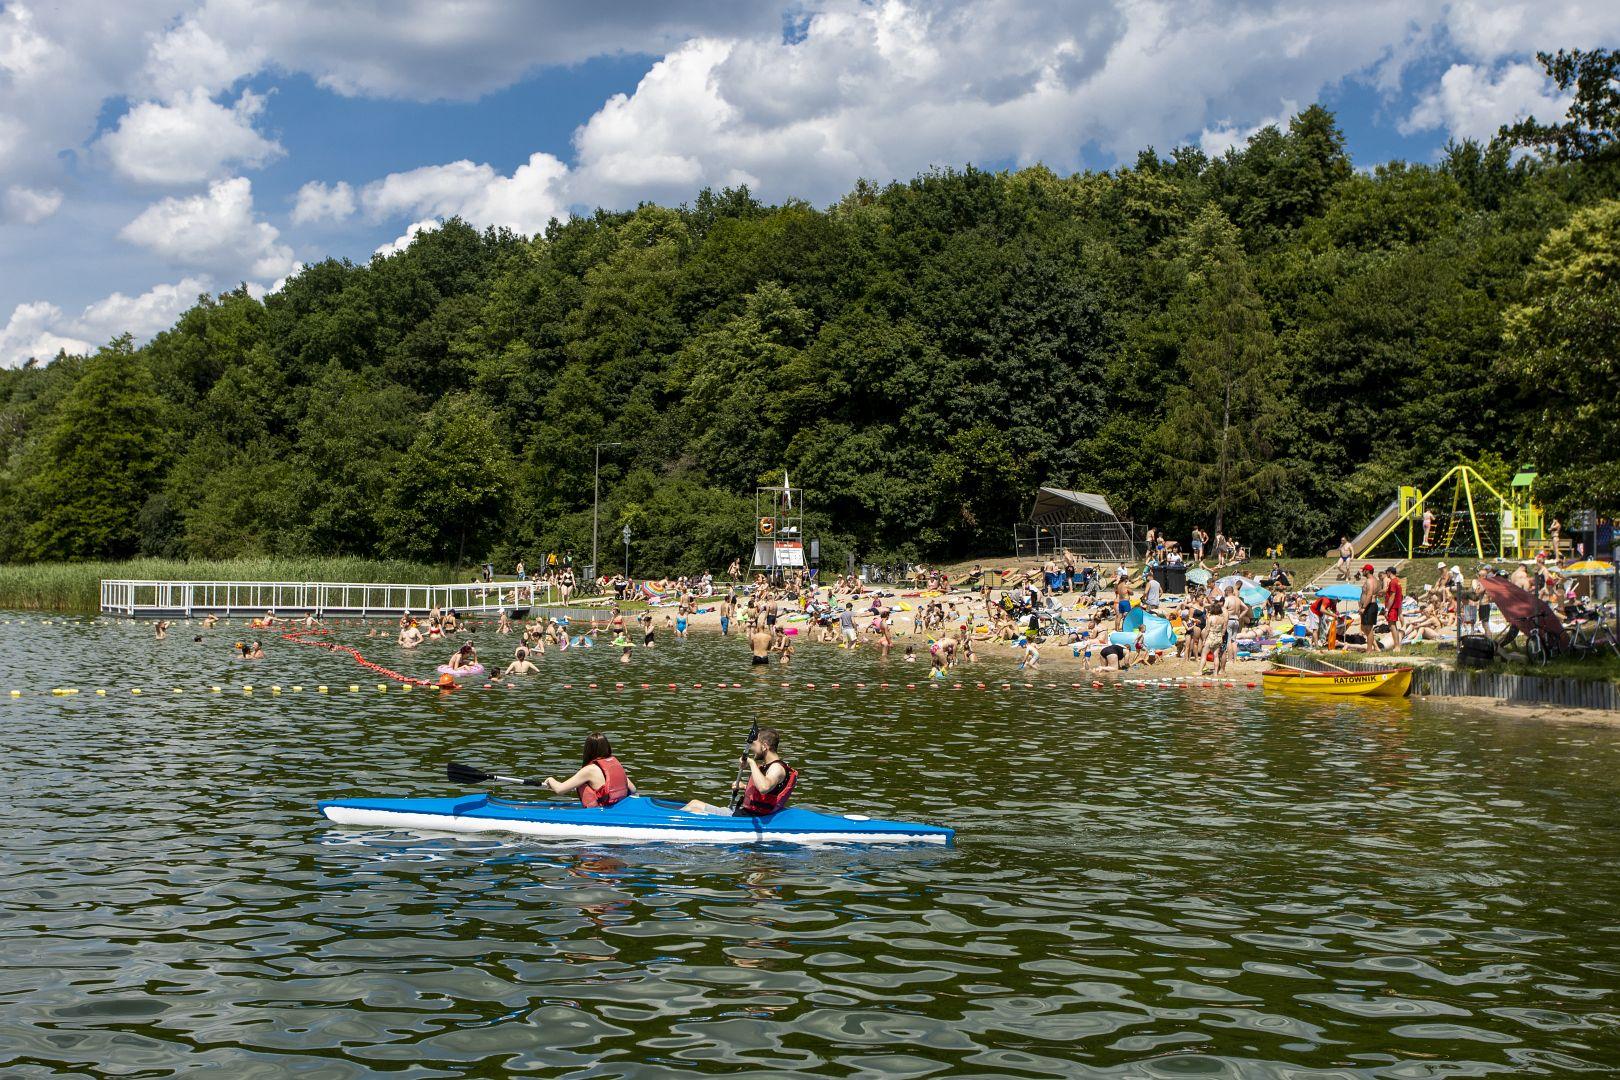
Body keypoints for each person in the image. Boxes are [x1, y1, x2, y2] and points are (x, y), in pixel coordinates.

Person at [683, 728, 796, 816]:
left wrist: (751, 763)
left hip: (748, 817)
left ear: (764, 746)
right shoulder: (770, 766)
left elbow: (764, 788)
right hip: (745, 813)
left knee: (694, 809)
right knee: (694, 803)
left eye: (754, 745)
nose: (752, 748)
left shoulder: (777, 768)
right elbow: (770, 792)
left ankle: (670, 823)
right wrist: (744, 786)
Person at [544, 733, 636, 807]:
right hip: (617, 806)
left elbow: (560, 789)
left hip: (599, 812)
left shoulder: (589, 770)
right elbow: (633, 789)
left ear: (588, 750)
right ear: (607, 747)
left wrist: (550, 780)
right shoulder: (614, 765)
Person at [1357, 564, 1382, 651]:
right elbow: (1379, 593)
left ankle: (1369, 650)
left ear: (1367, 571)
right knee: (1364, 628)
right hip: (1371, 605)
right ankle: (1375, 647)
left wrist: (1363, 607)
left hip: (1369, 606)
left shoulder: (1369, 581)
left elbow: (1369, 594)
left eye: (1363, 570)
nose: (1362, 572)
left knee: (1368, 629)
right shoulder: (1376, 580)